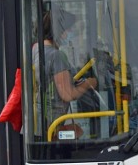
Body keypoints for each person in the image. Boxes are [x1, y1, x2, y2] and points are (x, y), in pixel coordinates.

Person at [32, 10, 98, 139]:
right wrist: (88, 84)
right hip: (51, 122)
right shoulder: (56, 55)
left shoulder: (36, 48)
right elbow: (67, 95)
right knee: (81, 132)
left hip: (39, 120)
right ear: (61, 31)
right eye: (70, 30)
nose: (71, 34)